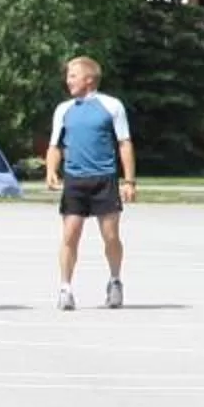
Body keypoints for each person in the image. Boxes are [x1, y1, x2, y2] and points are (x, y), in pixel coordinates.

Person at [47, 55, 136, 310]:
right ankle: (65, 288)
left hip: (104, 180)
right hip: (75, 181)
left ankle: (115, 280)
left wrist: (129, 181)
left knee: (110, 236)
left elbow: (124, 143)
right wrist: (52, 169)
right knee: (70, 235)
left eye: (73, 75)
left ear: (89, 79)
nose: (68, 80)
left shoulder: (112, 106)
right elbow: (55, 144)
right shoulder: (64, 109)